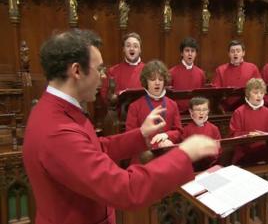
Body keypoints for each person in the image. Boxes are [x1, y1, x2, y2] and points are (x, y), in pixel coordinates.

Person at [22, 29, 219, 224]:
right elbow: (126, 189)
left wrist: (140, 135)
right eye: (99, 70)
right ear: (77, 71)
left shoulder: (60, 109)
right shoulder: (57, 130)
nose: (104, 77)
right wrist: (184, 155)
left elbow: (96, 149)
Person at [126, 60, 182, 148]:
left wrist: (167, 136)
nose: (157, 83)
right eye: (152, 79)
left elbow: (178, 131)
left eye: (160, 79)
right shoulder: (135, 106)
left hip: (166, 149)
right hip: (144, 153)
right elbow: (130, 136)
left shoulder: (172, 104)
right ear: (146, 82)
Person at [229, 78, 268, 165]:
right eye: (255, 93)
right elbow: (234, 134)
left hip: (264, 153)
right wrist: (248, 135)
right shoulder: (239, 112)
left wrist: (263, 135)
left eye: (261, 93)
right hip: (244, 155)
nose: (259, 96)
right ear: (248, 93)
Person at [212, 40, 261, 110]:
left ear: (243, 53)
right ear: (228, 54)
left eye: (238, 51)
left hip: (248, 107)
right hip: (227, 109)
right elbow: (216, 92)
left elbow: (259, 88)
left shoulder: (252, 68)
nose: (235, 53)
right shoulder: (220, 70)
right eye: (232, 51)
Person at [100, 32, 145, 101]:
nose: (132, 49)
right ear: (123, 49)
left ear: (140, 50)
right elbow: (105, 94)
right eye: (128, 46)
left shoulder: (148, 70)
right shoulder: (113, 71)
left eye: (135, 46)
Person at [182, 97, 221, 171]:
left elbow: (218, 150)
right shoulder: (185, 130)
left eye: (204, 109)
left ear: (208, 111)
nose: (201, 113)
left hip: (210, 166)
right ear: (191, 111)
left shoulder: (214, 128)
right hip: (192, 168)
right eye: (198, 110)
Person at [169, 37, 206, 112]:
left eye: (193, 51)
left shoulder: (201, 73)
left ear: (196, 54)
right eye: (187, 50)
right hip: (177, 113)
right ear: (182, 53)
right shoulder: (171, 72)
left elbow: (202, 97)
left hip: (196, 113)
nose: (190, 54)